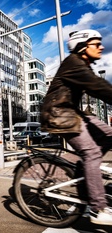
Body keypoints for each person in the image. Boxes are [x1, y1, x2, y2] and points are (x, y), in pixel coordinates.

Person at [40, 29, 112, 225]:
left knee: (109, 135)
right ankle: (97, 208)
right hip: (59, 115)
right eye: (96, 44)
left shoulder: (83, 65)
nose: (102, 47)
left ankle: (87, 172)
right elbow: (98, 87)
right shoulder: (74, 63)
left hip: (72, 113)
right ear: (82, 46)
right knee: (92, 153)